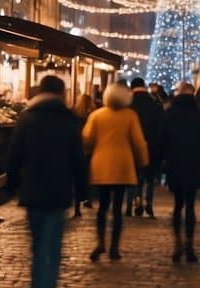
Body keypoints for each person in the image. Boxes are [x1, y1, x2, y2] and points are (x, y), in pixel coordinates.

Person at [5, 76, 87, 288]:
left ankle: (38, 282)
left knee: (37, 244)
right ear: (61, 94)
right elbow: (78, 158)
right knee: (52, 246)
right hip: (58, 190)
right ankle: (46, 282)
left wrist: (11, 185)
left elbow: (14, 155)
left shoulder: (27, 118)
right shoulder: (68, 119)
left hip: (32, 190)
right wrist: (82, 190)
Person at [82, 83, 149, 262]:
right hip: (122, 165)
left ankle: (100, 242)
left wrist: (88, 152)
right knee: (118, 209)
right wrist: (143, 162)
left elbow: (87, 139)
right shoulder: (130, 116)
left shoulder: (97, 115)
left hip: (101, 164)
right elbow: (138, 142)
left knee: (102, 207)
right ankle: (114, 247)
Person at [156, 82, 200, 264]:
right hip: (195, 164)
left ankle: (178, 242)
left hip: (176, 164)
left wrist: (161, 162)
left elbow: (161, 141)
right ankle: (189, 242)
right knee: (190, 206)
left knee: (178, 205)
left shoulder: (170, 114)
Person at [127, 78, 163, 218]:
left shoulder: (128, 105)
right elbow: (160, 129)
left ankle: (134, 203)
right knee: (150, 178)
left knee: (134, 177)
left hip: (132, 146)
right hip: (151, 146)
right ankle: (149, 203)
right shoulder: (154, 105)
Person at [72, 92, 96, 217]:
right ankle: (88, 199)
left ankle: (76, 205)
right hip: (89, 149)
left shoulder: (74, 114)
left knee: (76, 176)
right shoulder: (92, 115)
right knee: (88, 176)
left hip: (76, 148)